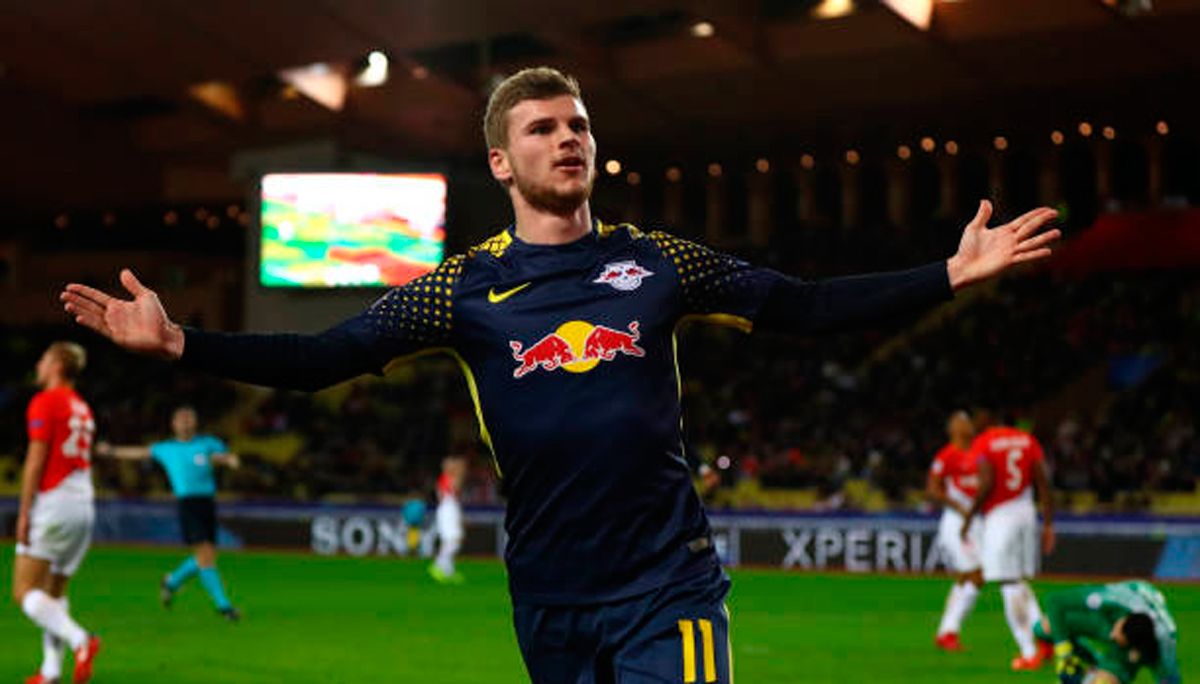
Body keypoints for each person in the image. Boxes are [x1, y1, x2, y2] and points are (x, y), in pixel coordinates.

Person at [61, 66, 1061, 683]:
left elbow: (805, 306)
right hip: (547, 595)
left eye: (577, 124)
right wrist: (186, 344)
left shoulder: (659, 262)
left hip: (666, 585)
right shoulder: (460, 288)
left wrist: (945, 275)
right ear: (502, 163)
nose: (567, 138)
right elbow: (325, 359)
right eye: (541, 128)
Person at [93, 405, 242, 621]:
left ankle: (171, 582)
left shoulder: (207, 443)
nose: (186, 423)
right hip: (188, 505)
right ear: (174, 424)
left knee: (207, 555)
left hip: (207, 503)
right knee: (205, 557)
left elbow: (222, 456)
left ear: (195, 422)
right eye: (182, 419)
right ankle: (224, 606)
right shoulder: (167, 448)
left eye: (189, 418)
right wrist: (112, 451)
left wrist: (230, 460)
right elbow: (140, 453)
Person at [13, 342, 102, 684]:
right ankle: (50, 672)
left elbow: (36, 460)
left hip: (55, 501)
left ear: (56, 365)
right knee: (55, 593)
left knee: (24, 591)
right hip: (83, 503)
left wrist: (24, 512)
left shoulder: (46, 401)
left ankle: (82, 640)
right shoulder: (81, 406)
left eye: (43, 359)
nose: (38, 365)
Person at [961, 417, 1057, 671]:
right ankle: (1045, 638)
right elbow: (1043, 483)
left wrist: (969, 517)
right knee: (1017, 581)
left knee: (1008, 584)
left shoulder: (984, 443)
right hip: (1027, 513)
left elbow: (987, 482)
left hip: (1001, 516)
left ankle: (1029, 652)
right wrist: (1048, 523)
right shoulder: (1027, 441)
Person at [1036, 580, 1180, 684]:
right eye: (1117, 631)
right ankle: (1097, 662)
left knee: (1104, 681)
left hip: (1138, 644)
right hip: (1106, 617)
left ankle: (1105, 669)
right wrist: (1063, 652)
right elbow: (1054, 601)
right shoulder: (1111, 599)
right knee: (1046, 626)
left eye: (1119, 639)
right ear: (1123, 620)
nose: (1112, 636)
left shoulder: (1164, 646)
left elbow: (1170, 679)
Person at [926, 410, 982, 651]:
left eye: (968, 422)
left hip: (978, 521)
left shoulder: (979, 453)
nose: (967, 425)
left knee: (967, 578)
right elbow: (933, 489)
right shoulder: (946, 456)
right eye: (961, 422)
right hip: (957, 522)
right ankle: (949, 631)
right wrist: (958, 505)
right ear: (952, 429)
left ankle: (946, 632)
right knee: (977, 574)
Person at [429, 455, 467, 583]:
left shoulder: (445, 478)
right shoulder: (447, 478)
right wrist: (458, 470)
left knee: (450, 541)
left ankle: (448, 571)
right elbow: (455, 488)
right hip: (448, 509)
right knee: (453, 541)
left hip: (449, 508)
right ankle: (438, 565)